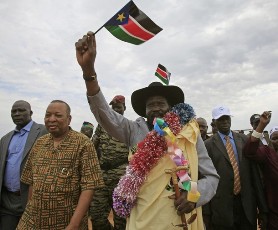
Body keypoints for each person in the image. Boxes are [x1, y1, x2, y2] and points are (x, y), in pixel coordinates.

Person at [75, 31, 219, 230]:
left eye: (161, 103)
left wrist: (194, 195)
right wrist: (88, 72)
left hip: (181, 219)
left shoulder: (189, 134)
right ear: (145, 111)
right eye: (151, 105)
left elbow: (211, 177)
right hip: (143, 221)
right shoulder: (134, 130)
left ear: (171, 108)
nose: (156, 108)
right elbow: (103, 112)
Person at [16, 100, 104, 230]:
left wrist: (74, 224)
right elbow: (31, 181)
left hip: (66, 221)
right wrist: (30, 211)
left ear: (69, 119)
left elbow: (89, 187)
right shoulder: (40, 143)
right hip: (33, 221)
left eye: (58, 115)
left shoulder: (83, 144)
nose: (51, 119)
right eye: (48, 115)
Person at [204, 106, 267, 230]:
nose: (225, 122)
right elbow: (205, 178)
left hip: (247, 207)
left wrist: (262, 208)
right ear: (214, 122)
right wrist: (206, 213)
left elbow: (254, 175)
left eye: (227, 118)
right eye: (221, 119)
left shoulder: (245, 140)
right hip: (221, 209)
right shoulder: (208, 145)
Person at [0, 100, 47, 230]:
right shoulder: (5, 138)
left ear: (30, 113)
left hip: (32, 199)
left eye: (21, 110)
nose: (17, 114)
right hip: (7, 201)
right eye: (13, 111)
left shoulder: (44, 131)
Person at [90, 95, 129, 230]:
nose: (115, 110)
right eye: (113, 107)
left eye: (119, 107)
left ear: (124, 108)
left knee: (121, 219)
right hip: (101, 176)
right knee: (96, 217)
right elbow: (92, 147)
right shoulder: (102, 125)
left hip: (121, 176)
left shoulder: (129, 126)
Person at [244, 111, 278, 230]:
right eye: (275, 138)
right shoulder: (268, 153)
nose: (277, 141)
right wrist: (261, 125)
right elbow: (249, 151)